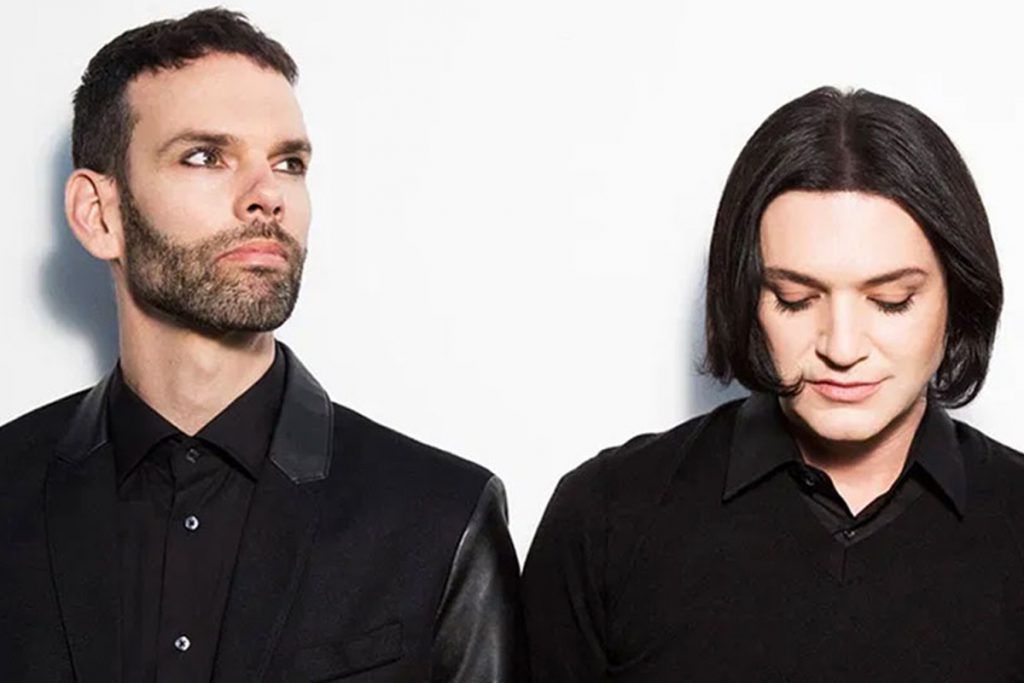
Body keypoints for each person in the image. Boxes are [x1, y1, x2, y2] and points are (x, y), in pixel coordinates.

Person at [0, 9, 522, 682]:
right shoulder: (10, 492)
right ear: (99, 214)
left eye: (288, 162)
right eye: (204, 156)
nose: (267, 195)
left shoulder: (442, 518)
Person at [522, 87, 1020, 681]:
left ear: (958, 298)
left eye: (891, 301)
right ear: (744, 296)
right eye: (794, 299)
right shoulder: (606, 516)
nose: (842, 348)